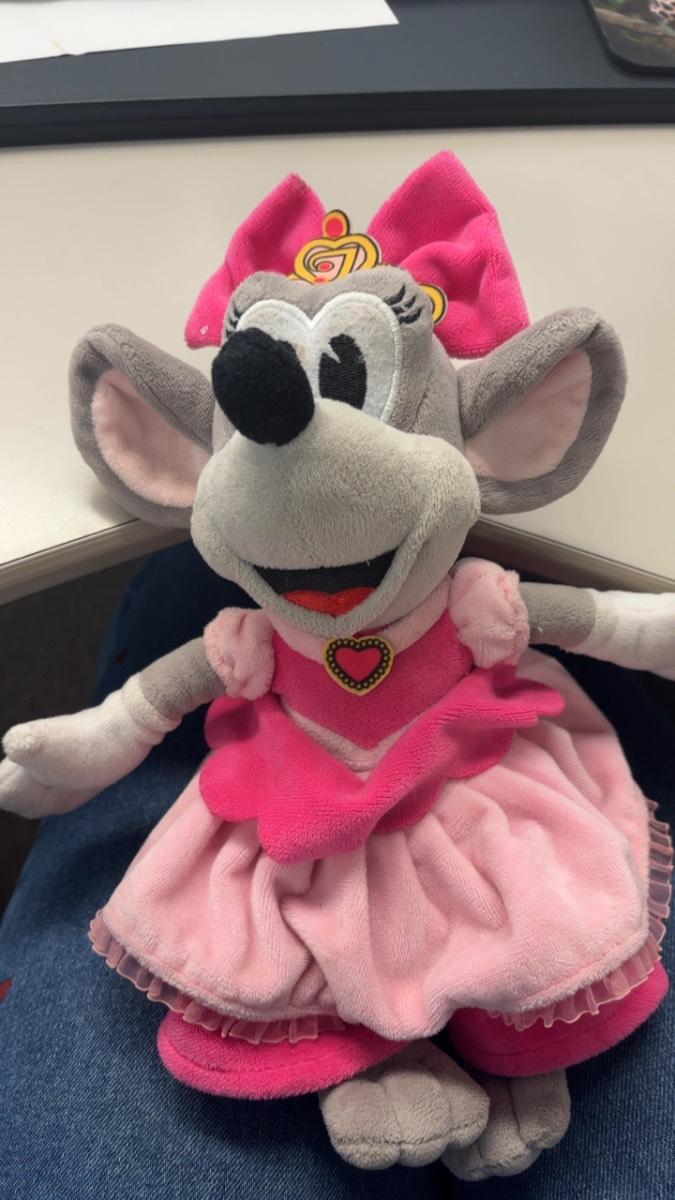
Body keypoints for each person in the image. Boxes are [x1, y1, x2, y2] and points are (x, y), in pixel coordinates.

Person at [0, 543, 672, 1200]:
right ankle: (372, 1056)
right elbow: (149, 703)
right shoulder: (253, 638)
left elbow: (603, 622)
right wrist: (97, 741)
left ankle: (515, 1043)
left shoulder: (472, 602)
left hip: (465, 761)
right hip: (305, 798)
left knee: (520, 904)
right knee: (307, 932)